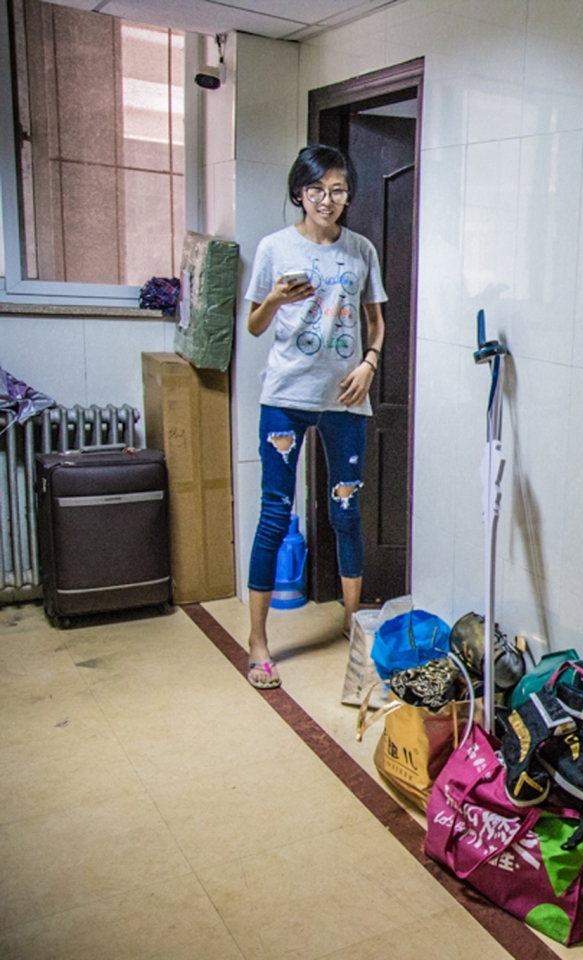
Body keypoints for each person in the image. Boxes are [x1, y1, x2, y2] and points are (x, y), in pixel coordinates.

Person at [241, 144, 386, 689]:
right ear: (299, 194)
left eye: (338, 189)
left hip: (346, 401)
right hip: (285, 398)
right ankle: (259, 641)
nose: (328, 200)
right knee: (275, 517)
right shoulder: (275, 248)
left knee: (346, 513)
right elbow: (254, 327)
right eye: (317, 189)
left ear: (348, 195)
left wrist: (371, 363)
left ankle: (353, 625)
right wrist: (276, 297)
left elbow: (376, 322)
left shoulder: (361, 250)